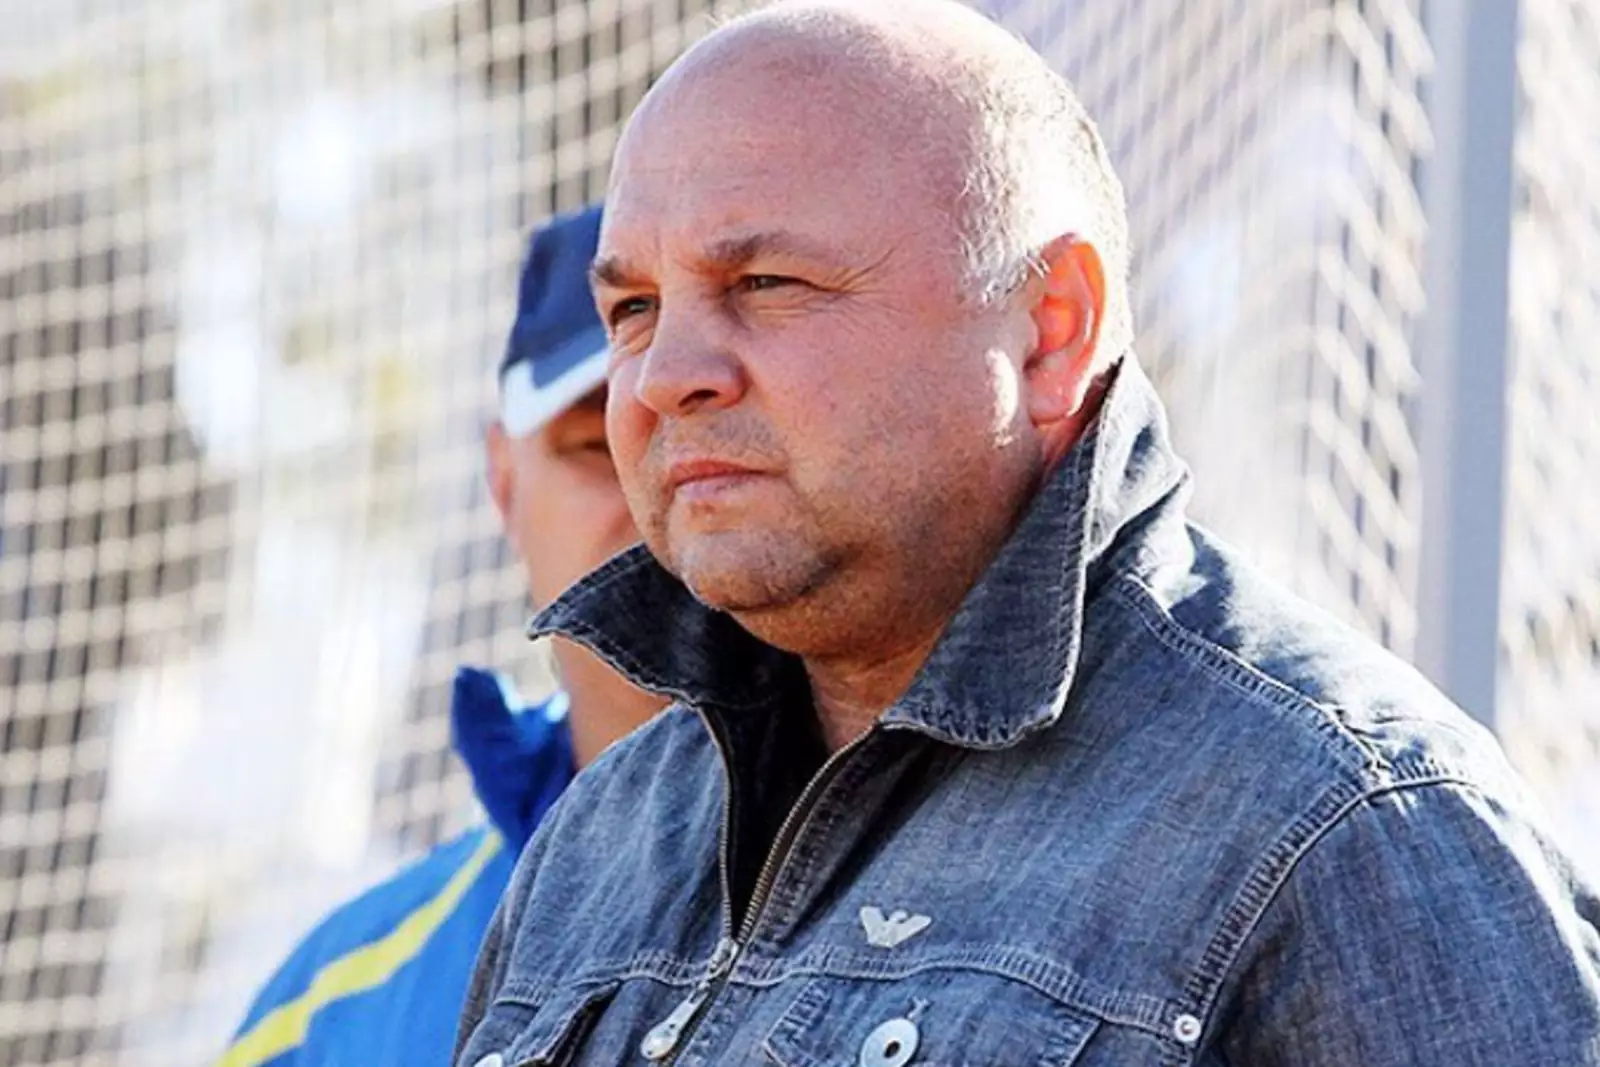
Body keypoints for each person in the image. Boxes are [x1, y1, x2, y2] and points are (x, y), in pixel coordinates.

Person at [454, 2, 1600, 1065]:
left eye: (765, 282)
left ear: (1050, 330)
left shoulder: (1349, 822)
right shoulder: (594, 844)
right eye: (634, 308)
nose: (665, 376)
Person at [219, 204, 664, 1067]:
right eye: (594, 446)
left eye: (700, 425)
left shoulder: (948, 914)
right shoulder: (318, 1022)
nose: (661, 494)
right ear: (504, 485)